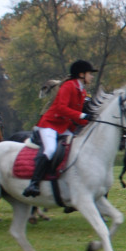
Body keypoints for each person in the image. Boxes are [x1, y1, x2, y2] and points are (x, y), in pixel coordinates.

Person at [23, 61, 95, 197]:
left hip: (64, 127)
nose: (92, 77)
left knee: (76, 149)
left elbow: (76, 116)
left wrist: (90, 121)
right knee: (50, 149)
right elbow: (62, 108)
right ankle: (34, 183)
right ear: (81, 74)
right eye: (90, 74)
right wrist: (83, 115)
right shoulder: (68, 86)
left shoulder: (82, 91)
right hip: (50, 124)